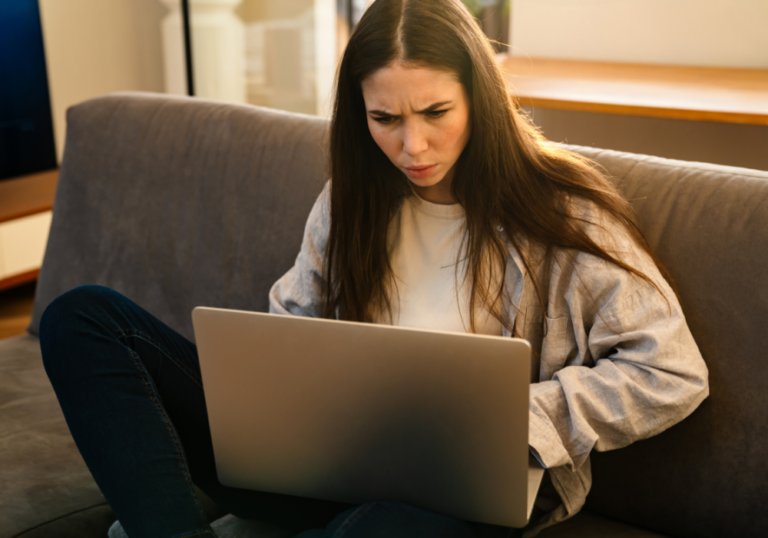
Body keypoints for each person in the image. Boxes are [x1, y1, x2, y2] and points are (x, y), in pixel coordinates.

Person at [39, 1, 709, 537]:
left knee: (376, 527)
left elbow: (671, 370)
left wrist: (521, 419)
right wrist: (279, 408)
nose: (411, 145)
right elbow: (292, 334)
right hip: (325, 462)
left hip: (459, 491)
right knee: (85, 318)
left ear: (480, 98)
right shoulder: (349, 203)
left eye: (435, 113)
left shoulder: (560, 211)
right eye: (384, 118)